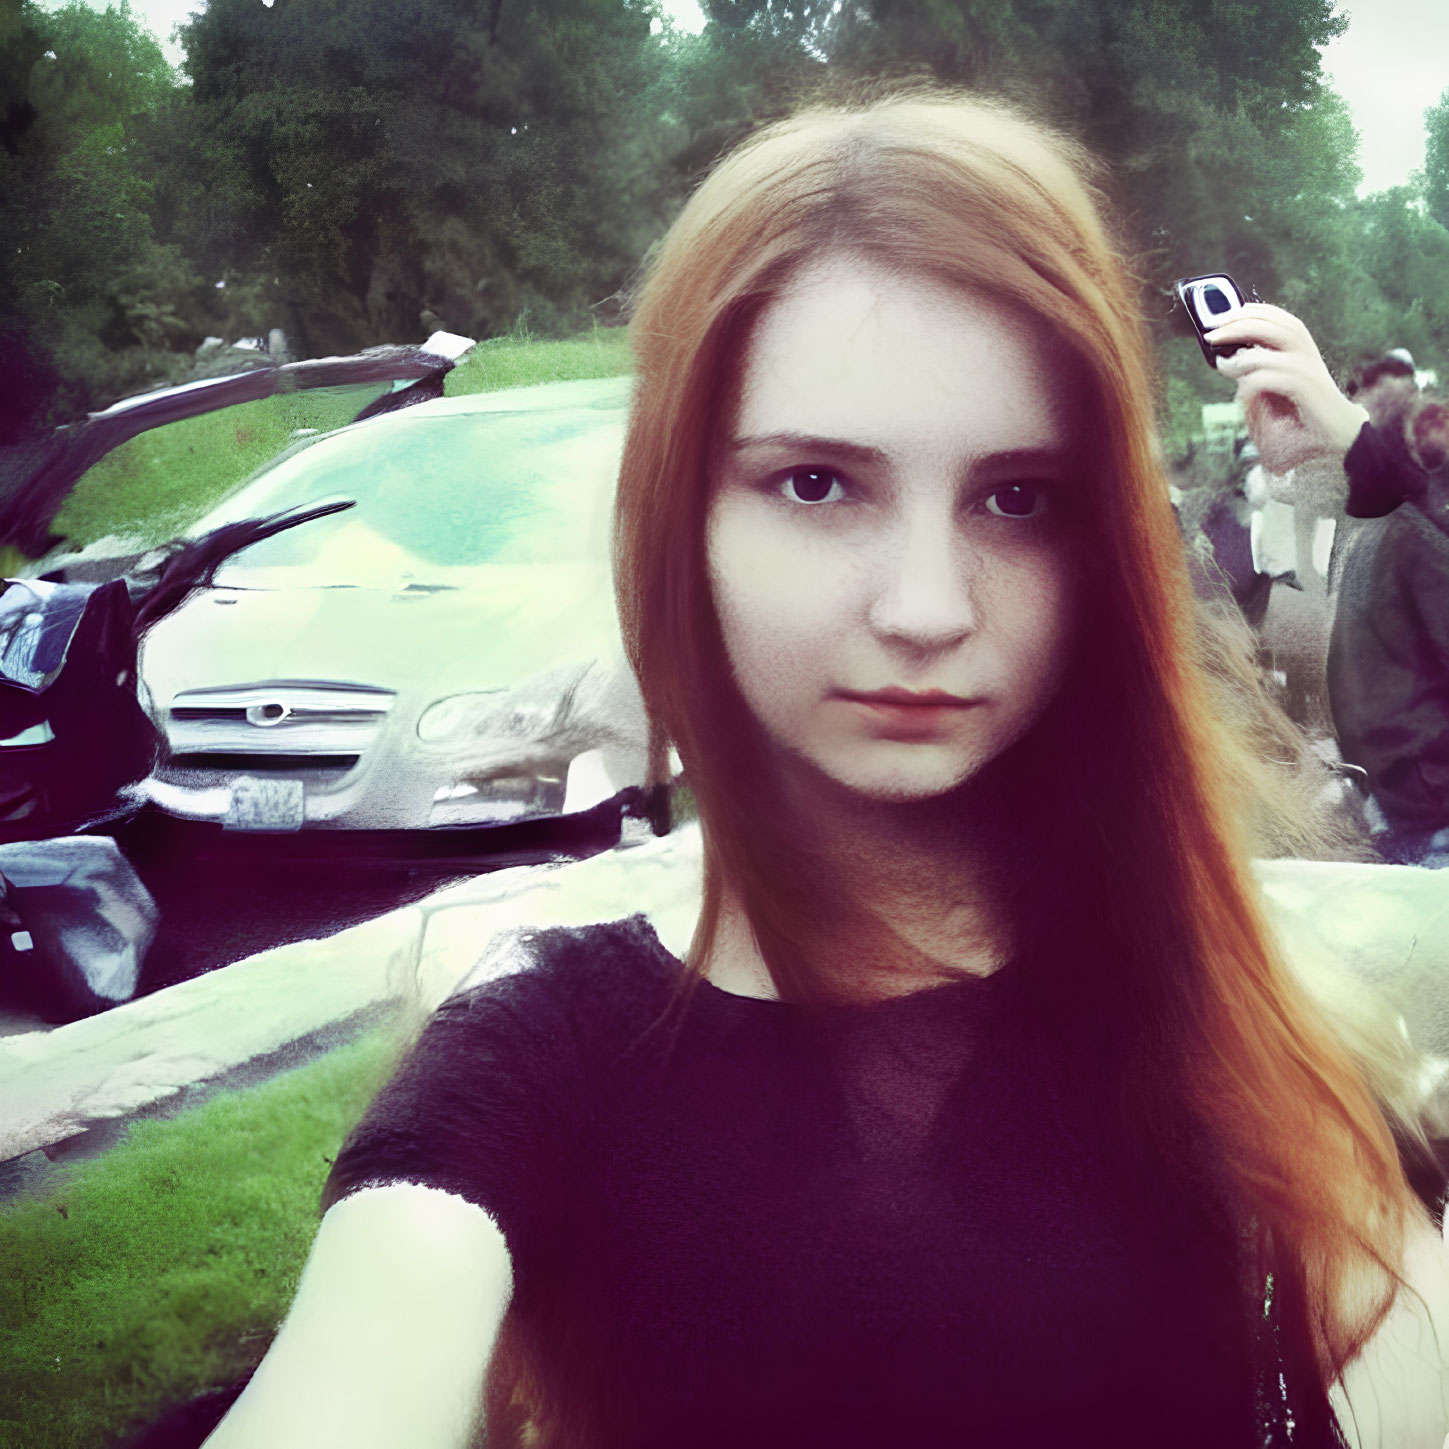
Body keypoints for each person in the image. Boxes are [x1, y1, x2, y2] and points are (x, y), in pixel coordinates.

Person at [201, 92, 1449, 1449]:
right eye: (814, 484)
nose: (925, 606)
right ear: (680, 514)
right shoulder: (534, 1065)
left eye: (1015, 496)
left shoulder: (1238, 1019)